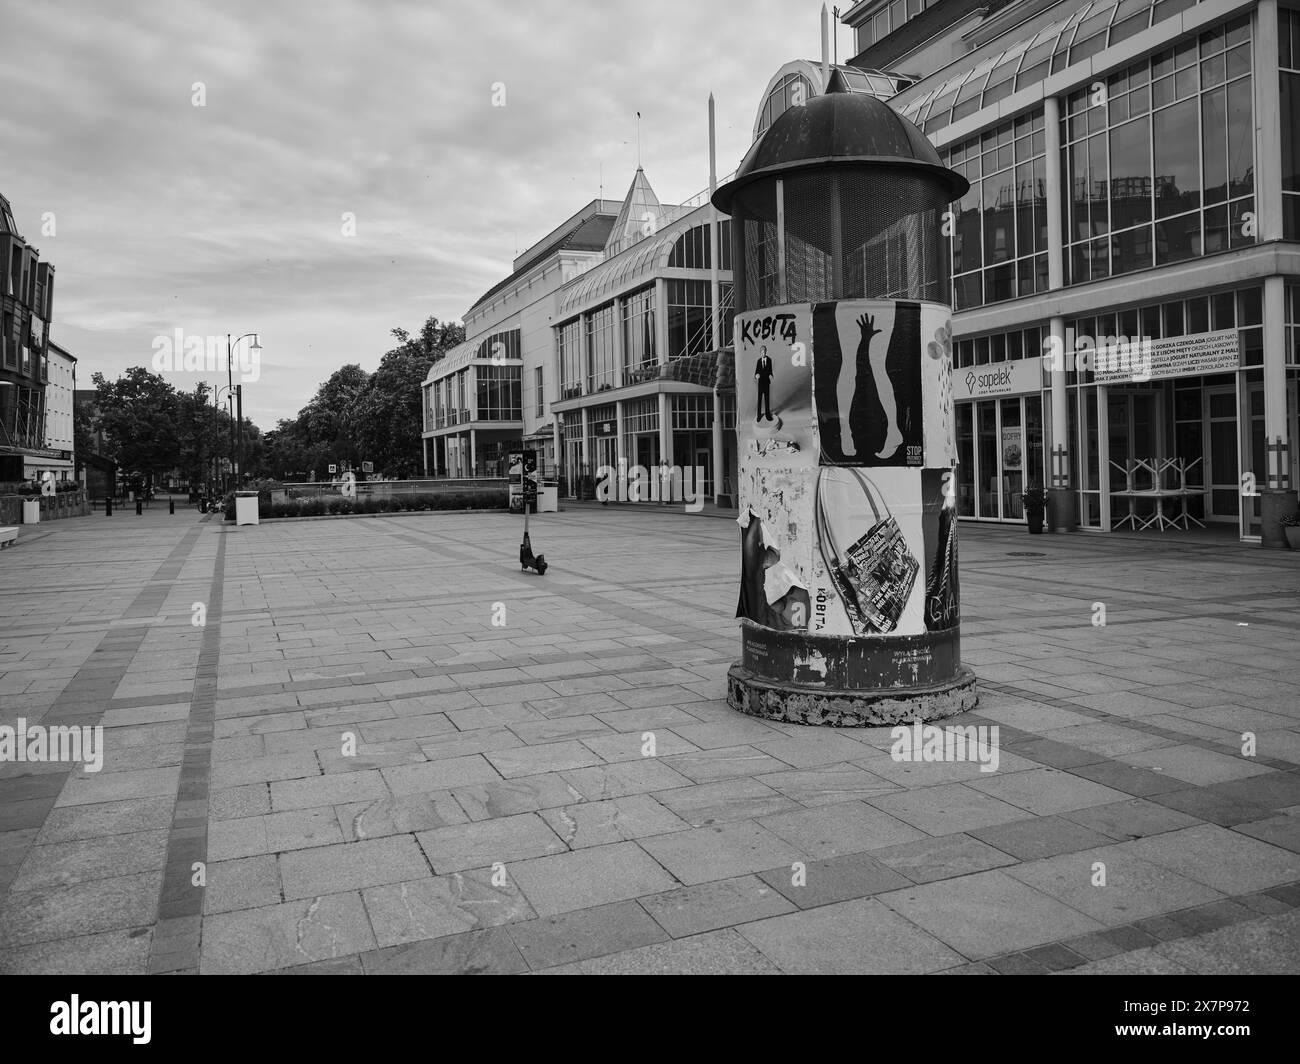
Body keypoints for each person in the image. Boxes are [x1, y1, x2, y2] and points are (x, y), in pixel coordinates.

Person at [754, 345, 774, 422]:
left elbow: (770, 371)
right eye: (762, 352)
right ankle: (758, 416)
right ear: (760, 353)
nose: (763, 353)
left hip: (766, 383)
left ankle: (768, 415)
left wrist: (771, 375)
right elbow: (756, 372)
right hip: (760, 383)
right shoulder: (758, 361)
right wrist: (756, 375)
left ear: (766, 351)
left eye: (764, 352)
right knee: (759, 400)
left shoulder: (769, 360)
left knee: (767, 399)